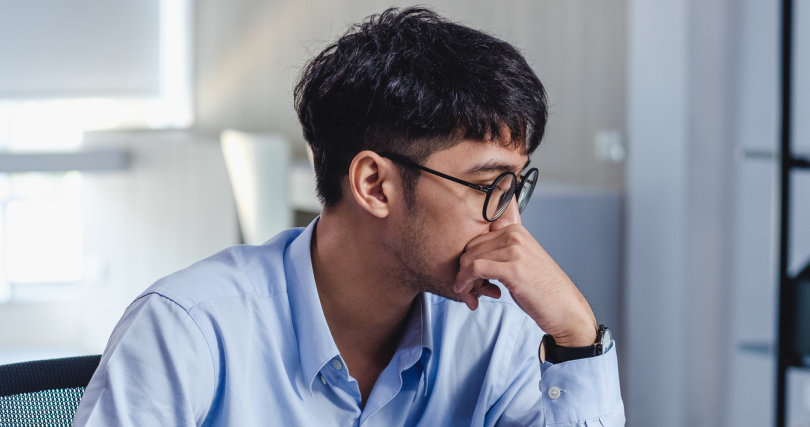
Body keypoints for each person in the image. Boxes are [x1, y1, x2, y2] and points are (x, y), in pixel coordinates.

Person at [74, 7, 624, 426]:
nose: (510, 228)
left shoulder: (493, 330)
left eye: (514, 189)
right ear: (374, 185)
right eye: (486, 187)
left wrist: (577, 336)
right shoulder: (187, 329)